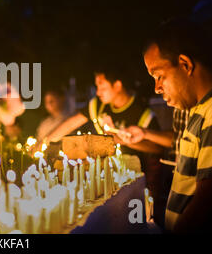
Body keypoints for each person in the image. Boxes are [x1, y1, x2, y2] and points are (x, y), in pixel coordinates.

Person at [41, 65, 165, 225]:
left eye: (102, 86)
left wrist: (121, 140)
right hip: (104, 181)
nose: (98, 92)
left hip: (133, 183)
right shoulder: (99, 106)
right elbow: (71, 123)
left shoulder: (142, 114)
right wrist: (45, 141)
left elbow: (157, 148)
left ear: (118, 85)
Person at [142, 18, 212, 233]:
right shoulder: (197, 111)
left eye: (159, 76)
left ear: (185, 64)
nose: (157, 88)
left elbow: (206, 201)